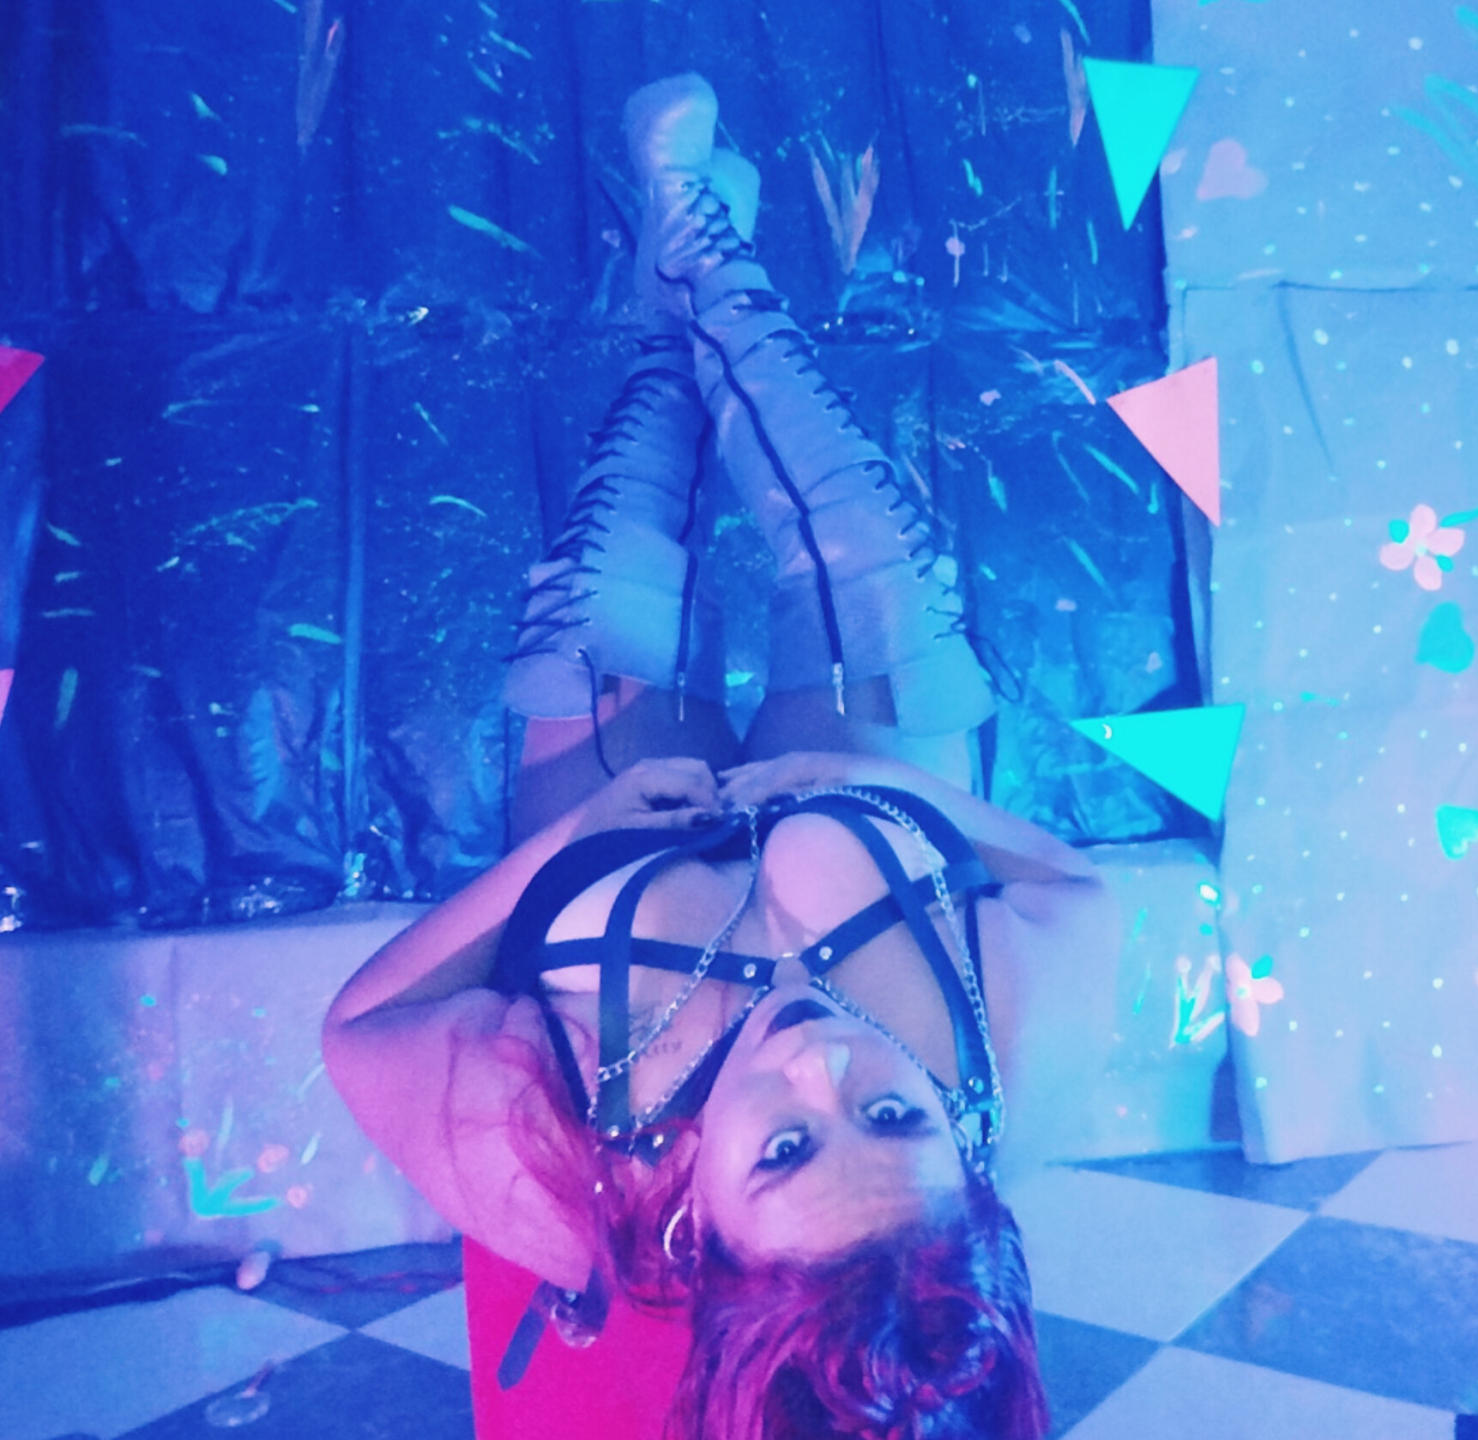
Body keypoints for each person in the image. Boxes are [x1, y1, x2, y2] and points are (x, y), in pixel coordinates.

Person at [323, 74, 1119, 1440]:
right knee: (865, 536)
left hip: (616, 826)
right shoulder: (1006, 1089)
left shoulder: (562, 1184)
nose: (822, 1064)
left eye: (788, 1148)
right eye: (894, 1118)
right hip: (859, 774)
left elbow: (360, 1035)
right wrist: (892, 792)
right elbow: (1081, 896)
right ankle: (700, 243)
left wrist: (579, 839)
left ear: (712, 1237)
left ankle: (671, 294)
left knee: (628, 520)